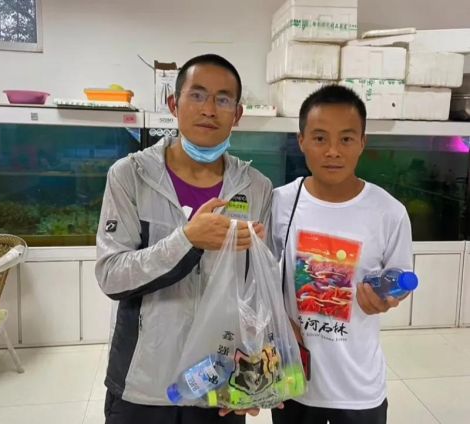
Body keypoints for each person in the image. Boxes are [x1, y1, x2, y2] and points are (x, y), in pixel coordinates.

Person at [95, 54, 273, 424]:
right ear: (173, 104)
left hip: (217, 382)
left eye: (223, 99)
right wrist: (187, 239)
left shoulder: (256, 188)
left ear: (237, 114)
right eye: (198, 95)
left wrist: (254, 371)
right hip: (143, 383)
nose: (209, 109)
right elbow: (111, 276)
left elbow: (258, 295)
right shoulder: (130, 176)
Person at [271, 84, 413, 424]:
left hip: (359, 388)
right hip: (295, 382)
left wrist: (386, 298)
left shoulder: (389, 212)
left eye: (346, 139)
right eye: (320, 138)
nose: (333, 151)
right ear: (301, 140)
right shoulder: (279, 203)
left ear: (362, 142)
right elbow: (259, 279)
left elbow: (400, 280)